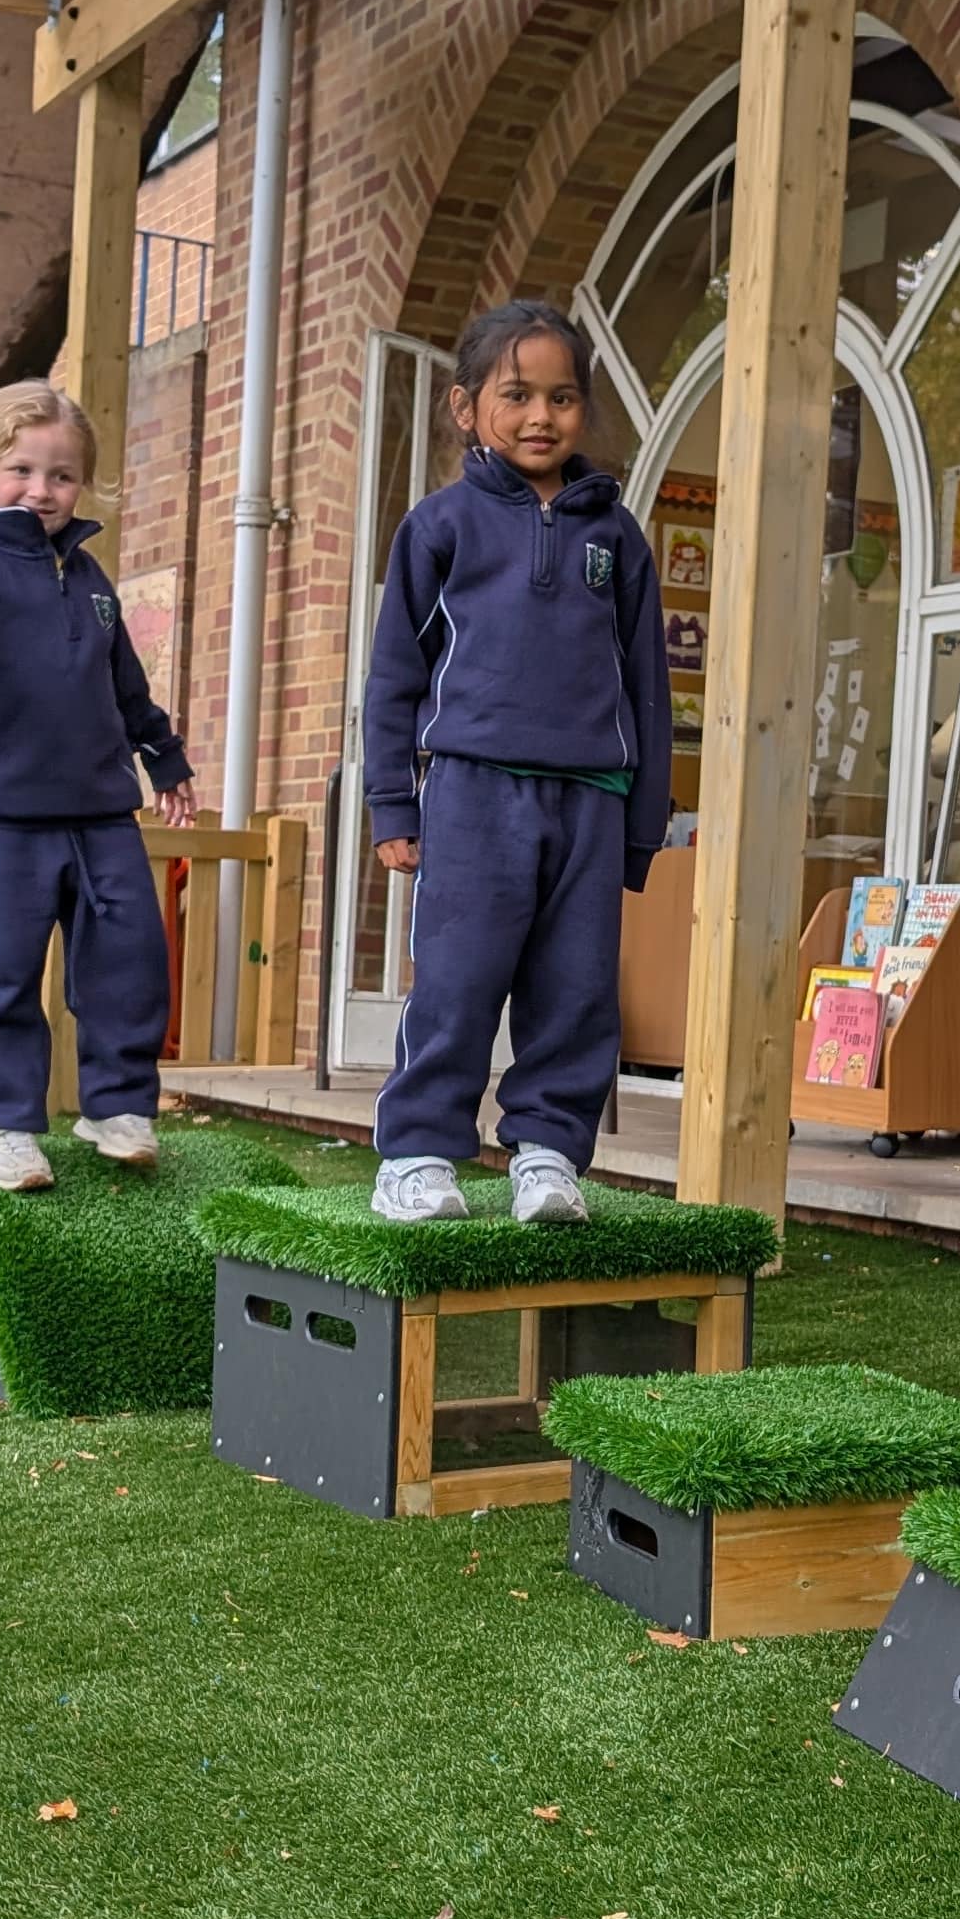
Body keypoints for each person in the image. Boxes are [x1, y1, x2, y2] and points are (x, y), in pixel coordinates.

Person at [361, 299, 670, 1226]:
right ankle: (415, 1156)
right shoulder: (440, 526)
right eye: (518, 394)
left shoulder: (615, 538)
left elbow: (647, 683)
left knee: (575, 992)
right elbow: (393, 676)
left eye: (563, 397)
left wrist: (640, 827)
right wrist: (392, 807)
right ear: (466, 407)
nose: (542, 416)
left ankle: (548, 1154)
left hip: (590, 800)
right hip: (471, 792)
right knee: (458, 979)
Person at [0, 382, 196, 1194]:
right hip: (0, 820)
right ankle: (7, 1127)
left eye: (61, 475)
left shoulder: (89, 577)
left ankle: (116, 1107)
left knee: (130, 962)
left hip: (100, 814)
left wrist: (165, 758)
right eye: (22, 470)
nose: (41, 490)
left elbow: (126, 688)